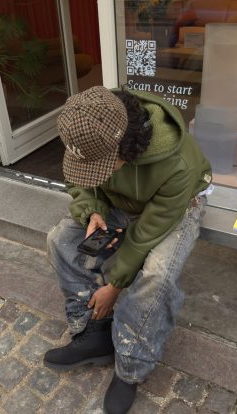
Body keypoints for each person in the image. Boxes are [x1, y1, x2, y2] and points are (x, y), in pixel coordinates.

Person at [44, 85, 212, 414]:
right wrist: (91, 210)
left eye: (103, 165)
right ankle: (93, 333)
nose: (98, 172)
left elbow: (147, 232)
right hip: (118, 201)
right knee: (60, 241)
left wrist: (114, 286)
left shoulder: (178, 163)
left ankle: (131, 365)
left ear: (128, 148)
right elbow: (78, 180)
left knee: (157, 276)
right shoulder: (87, 129)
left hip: (176, 207)